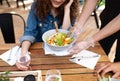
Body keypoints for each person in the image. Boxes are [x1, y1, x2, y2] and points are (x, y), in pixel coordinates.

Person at [16, 0, 79, 70]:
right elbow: (29, 32)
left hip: (62, 56)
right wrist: (23, 54)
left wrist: (67, 9)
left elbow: (65, 35)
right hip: (40, 54)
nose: (58, 0)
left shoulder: (71, 8)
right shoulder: (37, 6)